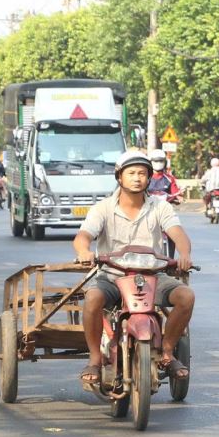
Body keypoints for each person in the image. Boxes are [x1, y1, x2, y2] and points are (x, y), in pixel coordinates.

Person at [71, 150, 196, 393]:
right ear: (119, 177)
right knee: (93, 298)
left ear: (149, 178)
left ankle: (167, 353)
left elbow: (178, 234)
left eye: (142, 173)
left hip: (152, 276)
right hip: (112, 276)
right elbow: (83, 236)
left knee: (186, 297)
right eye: (131, 173)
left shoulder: (160, 207)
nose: (137, 178)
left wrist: (184, 255)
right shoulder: (103, 208)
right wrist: (84, 251)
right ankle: (95, 359)